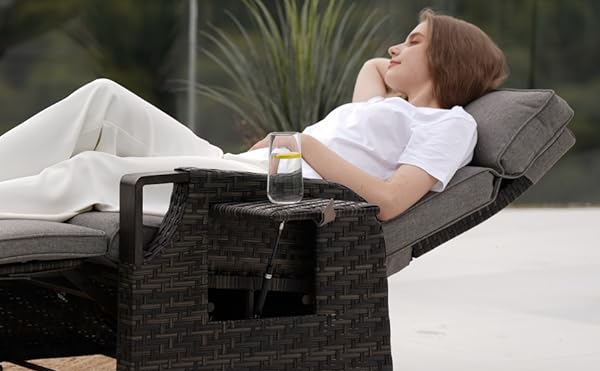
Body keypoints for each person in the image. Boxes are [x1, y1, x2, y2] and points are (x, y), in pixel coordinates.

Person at [0, 8, 506, 222]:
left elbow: (391, 202)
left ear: (446, 60)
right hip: (240, 165)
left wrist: (302, 145)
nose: (394, 48)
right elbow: (374, 66)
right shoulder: (386, 109)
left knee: (93, 171)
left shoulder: (450, 124)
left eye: (412, 42)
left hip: (269, 193)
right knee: (103, 98)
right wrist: (411, 68)